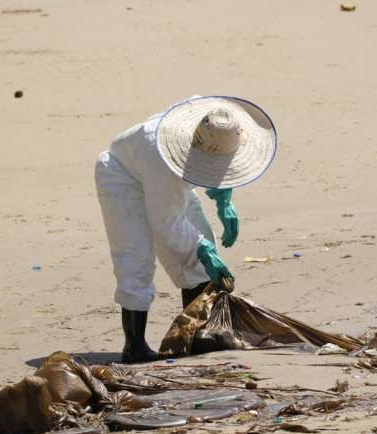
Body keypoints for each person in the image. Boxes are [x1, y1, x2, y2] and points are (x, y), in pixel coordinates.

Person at [94, 95, 277, 363]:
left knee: (201, 242)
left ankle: (195, 333)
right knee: (136, 257)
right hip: (123, 177)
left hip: (168, 177)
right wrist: (201, 248)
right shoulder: (159, 156)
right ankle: (134, 347)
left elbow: (217, 158)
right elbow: (165, 221)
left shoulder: (212, 120)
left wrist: (224, 198)